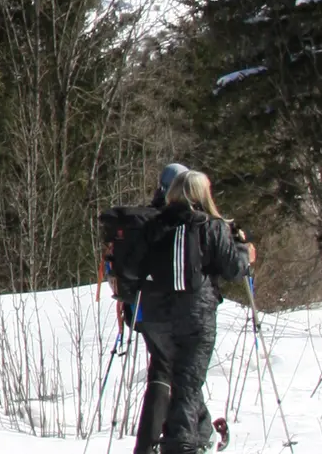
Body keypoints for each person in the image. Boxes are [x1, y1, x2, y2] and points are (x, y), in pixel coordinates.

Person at [135, 171, 252, 454]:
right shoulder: (211, 226)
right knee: (188, 383)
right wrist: (246, 251)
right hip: (196, 317)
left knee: (183, 380)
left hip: (158, 316)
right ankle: (183, 444)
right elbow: (234, 269)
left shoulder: (153, 225)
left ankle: (200, 433)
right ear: (203, 194)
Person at [127, 162, 192, 454]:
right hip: (172, 311)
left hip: (143, 309)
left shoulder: (146, 219)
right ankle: (181, 441)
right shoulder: (179, 220)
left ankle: (149, 445)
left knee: (163, 371)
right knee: (180, 373)